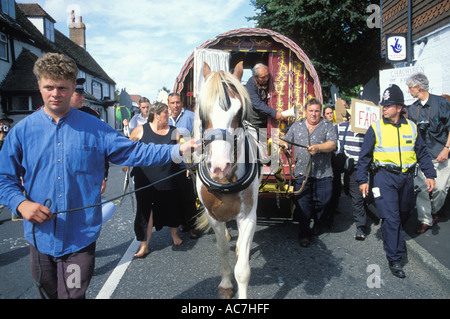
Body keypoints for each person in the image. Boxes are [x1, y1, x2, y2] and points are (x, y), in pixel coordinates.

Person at [0, 53, 196, 299]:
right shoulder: (21, 132)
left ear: (72, 88)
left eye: (62, 88)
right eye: (48, 87)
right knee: (50, 294)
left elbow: (135, 152)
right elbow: (4, 178)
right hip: (40, 238)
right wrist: (20, 204)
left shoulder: (95, 128)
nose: (55, 94)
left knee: (71, 295)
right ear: (39, 86)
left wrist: (176, 149)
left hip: (78, 239)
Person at [356, 84, 436, 278]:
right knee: (391, 218)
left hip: (407, 178)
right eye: (383, 105)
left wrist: (430, 174)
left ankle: (391, 236)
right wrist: (362, 180)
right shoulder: (375, 128)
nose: (384, 108)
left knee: (403, 214)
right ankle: (395, 258)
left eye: (388, 105)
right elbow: (364, 157)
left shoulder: (412, 127)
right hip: (384, 178)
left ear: (399, 108)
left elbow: (422, 153)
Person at [129, 102, 185, 257]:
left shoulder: (174, 131)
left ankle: (174, 235)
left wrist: (186, 166)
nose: (169, 114)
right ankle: (144, 245)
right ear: (157, 115)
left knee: (171, 207)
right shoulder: (140, 130)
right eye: (166, 112)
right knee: (144, 211)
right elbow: (128, 148)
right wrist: (127, 164)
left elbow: (182, 152)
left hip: (168, 177)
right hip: (144, 179)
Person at [280, 98, 337, 247]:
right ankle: (304, 234)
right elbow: (286, 140)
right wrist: (284, 144)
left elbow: (332, 144)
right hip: (301, 173)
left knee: (323, 202)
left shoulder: (327, 125)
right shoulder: (297, 125)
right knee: (303, 205)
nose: (314, 114)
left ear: (321, 112)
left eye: (317, 111)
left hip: (323, 173)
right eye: (311, 111)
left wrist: (318, 147)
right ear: (305, 111)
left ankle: (318, 222)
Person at [406, 73, 450, 234]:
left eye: (410, 88)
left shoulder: (441, 103)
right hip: (422, 157)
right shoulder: (412, 109)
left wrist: (447, 149)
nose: (409, 91)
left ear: (419, 87)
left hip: (442, 155)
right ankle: (425, 220)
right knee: (422, 188)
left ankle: (433, 211)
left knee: (440, 189)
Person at [167, 92, 199, 239]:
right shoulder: (165, 118)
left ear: (182, 103)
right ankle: (183, 223)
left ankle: (193, 226)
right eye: (172, 103)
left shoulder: (191, 117)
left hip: (187, 163)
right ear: (169, 104)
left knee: (190, 196)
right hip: (171, 163)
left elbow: (200, 137)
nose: (175, 105)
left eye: (178, 102)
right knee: (175, 196)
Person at [70, 78, 109, 194]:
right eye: (79, 94)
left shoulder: (92, 115)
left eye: (83, 94)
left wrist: (103, 175)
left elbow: (102, 146)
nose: (83, 98)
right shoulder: (49, 116)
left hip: (88, 178)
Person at [335, 113, 367, 240]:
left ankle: (361, 226)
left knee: (357, 198)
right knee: (349, 191)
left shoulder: (369, 130)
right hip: (351, 168)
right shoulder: (340, 127)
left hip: (364, 168)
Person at [246, 63, 287, 129]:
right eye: (263, 77)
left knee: (266, 136)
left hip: (268, 115)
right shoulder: (250, 85)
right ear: (255, 77)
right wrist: (274, 113)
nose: (266, 79)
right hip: (256, 119)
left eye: (267, 76)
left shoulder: (271, 79)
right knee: (255, 137)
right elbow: (257, 104)